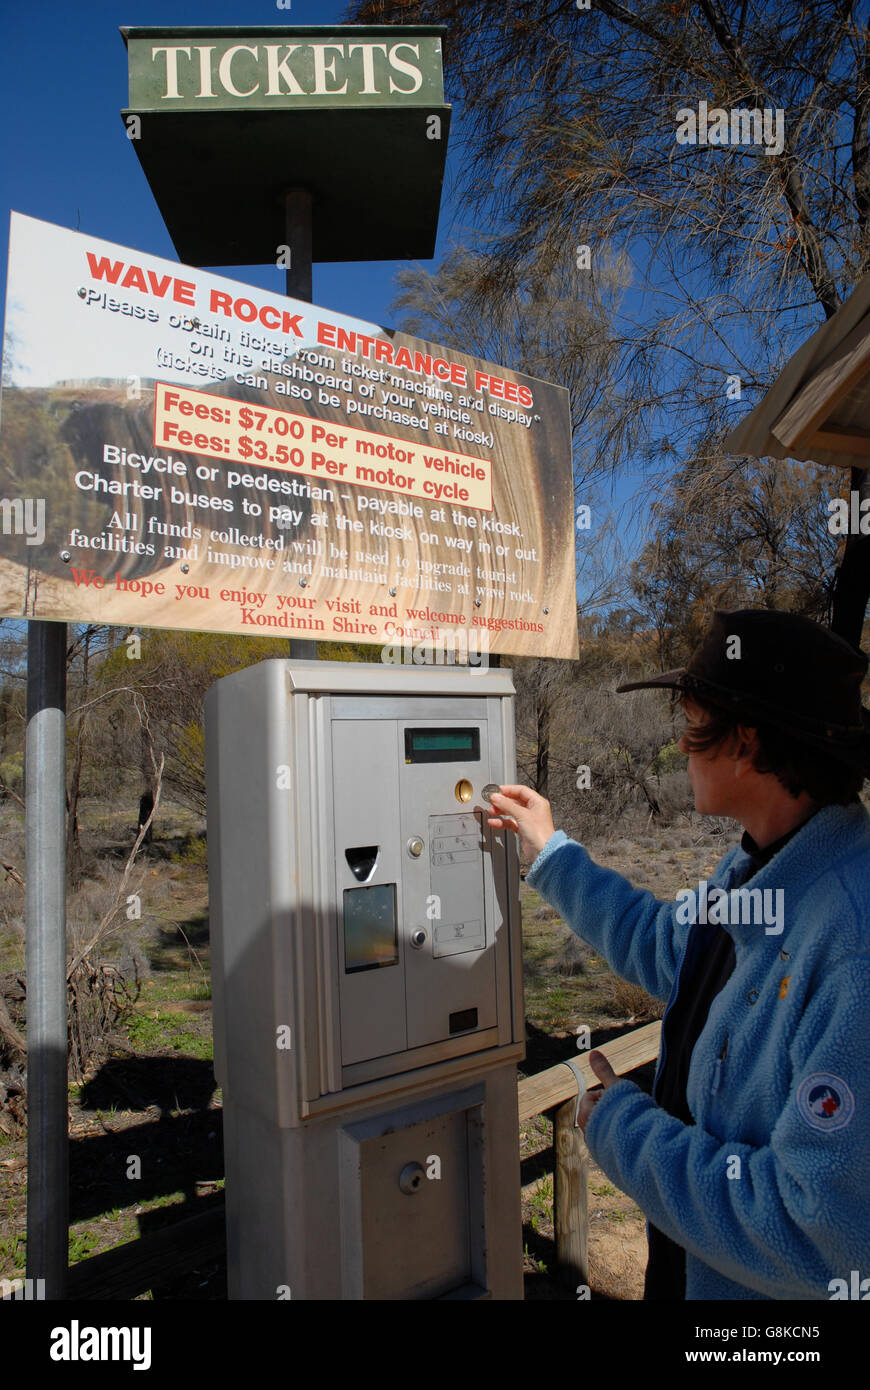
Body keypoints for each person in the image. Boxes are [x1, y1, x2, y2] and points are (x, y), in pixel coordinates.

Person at [487, 609, 870, 1300]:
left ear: (748, 743)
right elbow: (674, 953)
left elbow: (816, 1236)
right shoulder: (762, 864)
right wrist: (551, 855)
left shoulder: (850, 947)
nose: (684, 747)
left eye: (695, 725)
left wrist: (622, 1128)